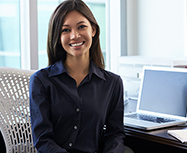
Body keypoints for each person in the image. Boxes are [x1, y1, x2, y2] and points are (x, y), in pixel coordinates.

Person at [29, 0, 126, 152]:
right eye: (65, 30)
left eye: (82, 27)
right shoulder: (41, 81)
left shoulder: (113, 83)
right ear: (58, 37)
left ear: (93, 30)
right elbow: (42, 139)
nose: (75, 35)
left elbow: (115, 135)